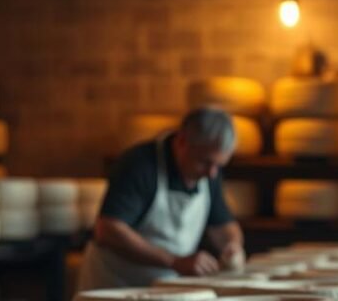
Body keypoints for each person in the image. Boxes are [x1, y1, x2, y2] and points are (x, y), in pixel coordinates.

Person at [76, 107, 245, 290]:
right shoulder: (140, 165)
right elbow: (108, 230)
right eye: (204, 162)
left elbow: (224, 226)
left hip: (162, 286)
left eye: (219, 165)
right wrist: (174, 261)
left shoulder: (208, 173)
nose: (212, 173)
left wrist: (233, 246)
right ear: (182, 141)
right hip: (114, 285)